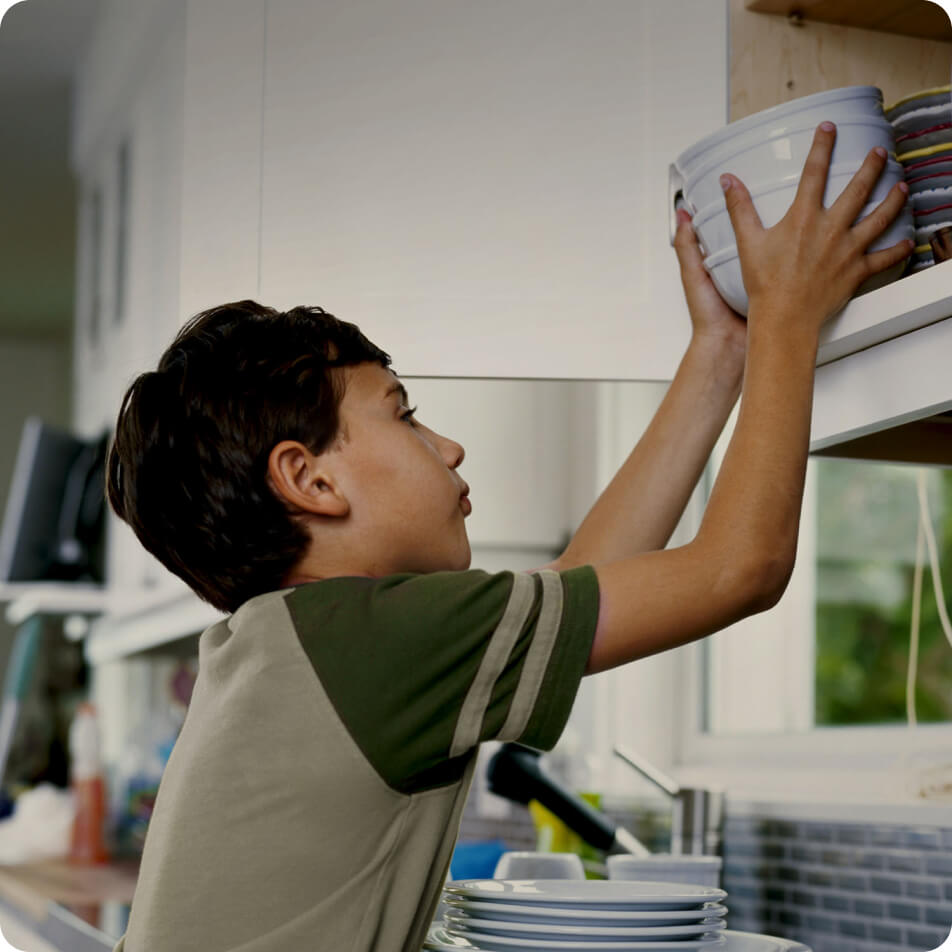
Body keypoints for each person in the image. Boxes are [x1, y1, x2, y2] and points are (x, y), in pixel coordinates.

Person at [104, 123, 911, 952]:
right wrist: (789, 316)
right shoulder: (371, 640)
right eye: (404, 413)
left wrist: (723, 350)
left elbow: (579, 580)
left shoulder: (300, 643)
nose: (447, 446)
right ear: (312, 481)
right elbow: (743, 566)